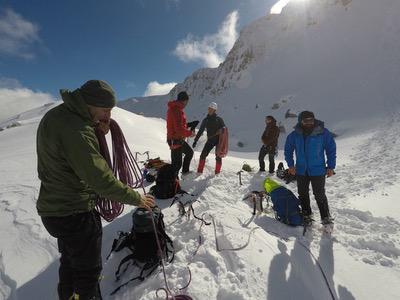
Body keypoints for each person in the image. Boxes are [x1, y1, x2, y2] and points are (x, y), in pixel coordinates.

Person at [36, 80, 155, 300]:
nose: (108, 116)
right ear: (91, 104)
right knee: (88, 275)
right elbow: (101, 180)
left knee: (70, 264)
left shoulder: (57, 116)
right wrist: (136, 198)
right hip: (76, 212)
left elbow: (69, 154)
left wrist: (94, 126)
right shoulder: (78, 131)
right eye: (105, 110)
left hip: (54, 209)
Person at [284, 111, 336, 226]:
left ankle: (326, 217)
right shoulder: (294, 135)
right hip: (301, 170)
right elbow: (288, 150)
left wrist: (331, 167)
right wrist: (291, 165)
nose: (309, 123)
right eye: (306, 121)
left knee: (319, 194)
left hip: (318, 170)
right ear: (300, 121)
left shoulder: (323, 132)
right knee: (302, 193)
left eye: (311, 120)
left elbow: (331, 149)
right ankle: (307, 214)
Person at [166, 91, 195, 177]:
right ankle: (172, 182)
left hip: (178, 139)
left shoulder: (177, 109)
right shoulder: (176, 110)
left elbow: (179, 124)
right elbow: (178, 129)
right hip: (175, 140)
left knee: (189, 153)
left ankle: (185, 172)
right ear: (184, 100)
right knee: (176, 165)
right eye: (187, 101)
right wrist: (190, 133)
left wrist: (189, 124)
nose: (187, 103)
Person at [192, 102, 226, 174]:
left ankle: (217, 173)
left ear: (214, 110)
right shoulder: (206, 120)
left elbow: (224, 128)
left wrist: (221, 129)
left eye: (211, 109)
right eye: (209, 109)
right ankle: (199, 171)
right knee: (203, 155)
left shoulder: (219, 119)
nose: (209, 110)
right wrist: (195, 140)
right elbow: (200, 130)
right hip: (210, 140)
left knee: (218, 156)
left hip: (218, 141)